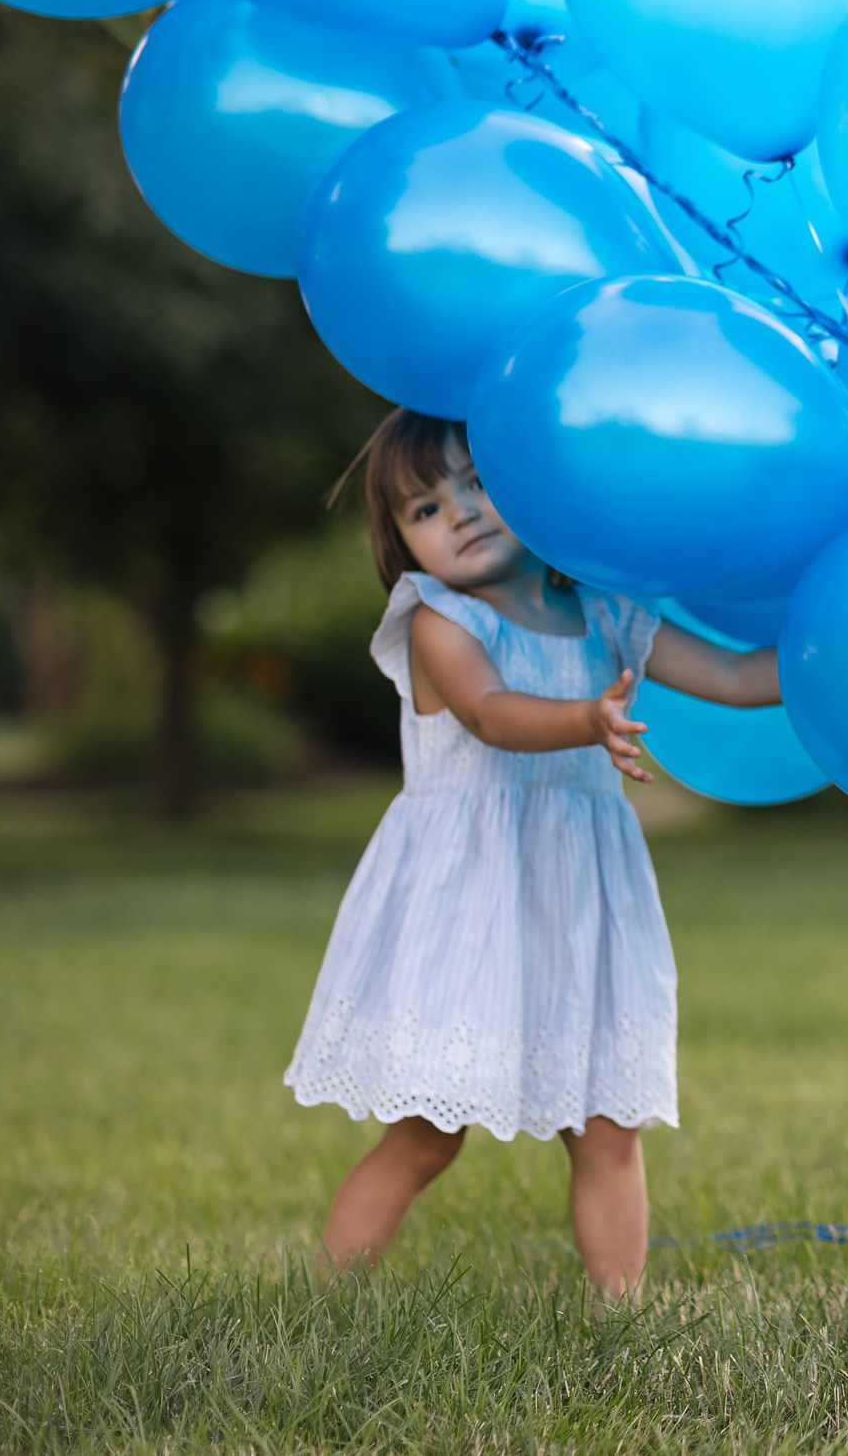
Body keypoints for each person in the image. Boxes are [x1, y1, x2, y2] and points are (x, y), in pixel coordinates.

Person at [285, 409, 783, 1296]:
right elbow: (489, 713)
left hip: (581, 899)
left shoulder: (604, 609)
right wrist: (586, 720)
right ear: (399, 543)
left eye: (476, 484)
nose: (461, 513)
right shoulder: (438, 619)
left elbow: (737, 678)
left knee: (608, 1123)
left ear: (528, 480)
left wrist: (829, 656)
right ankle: (323, 1301)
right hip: (468, 901)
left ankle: (619, 1317)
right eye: (425, 510)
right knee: (426, 1133)